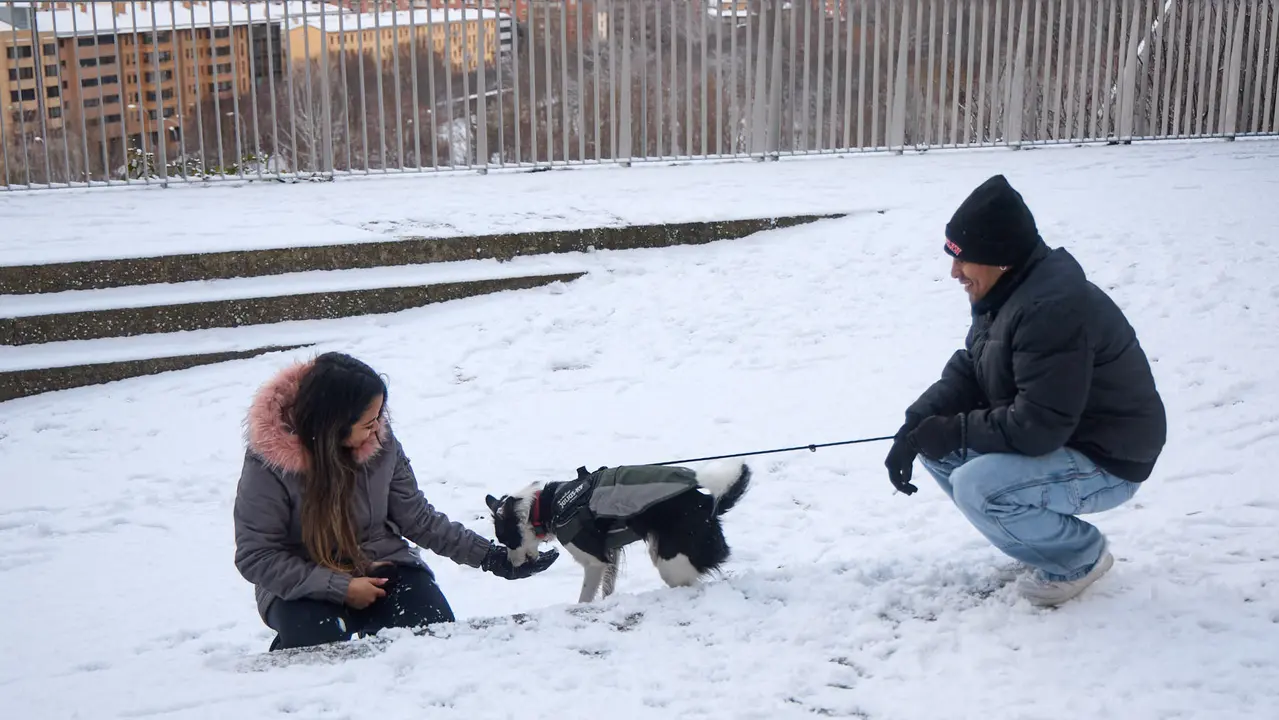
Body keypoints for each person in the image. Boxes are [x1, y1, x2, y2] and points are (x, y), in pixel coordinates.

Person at [884, 174, 1166, 607]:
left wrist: (954, 431)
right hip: (1064, 437)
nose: (954, 272)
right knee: (939, 448)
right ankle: (1042, 543)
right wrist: (916, 423)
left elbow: (1039, 426)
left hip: (1109, 457)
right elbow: (973, 369)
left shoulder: (1050, 310)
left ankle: (1079, 557)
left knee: (980, 486)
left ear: (999, 257)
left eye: (963, 259)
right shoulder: (1008, 292)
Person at [233, 352, 559, 651]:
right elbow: (257, 554)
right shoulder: (268, 464)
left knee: (433, 632)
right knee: (318, 643)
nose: (378, 431)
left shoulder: (379, 445)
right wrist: (340, 587)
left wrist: (493, 557)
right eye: (368, 423)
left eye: (379, 417)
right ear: (332, 424)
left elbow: (418, 518)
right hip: (302, 580)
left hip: (380, 562)